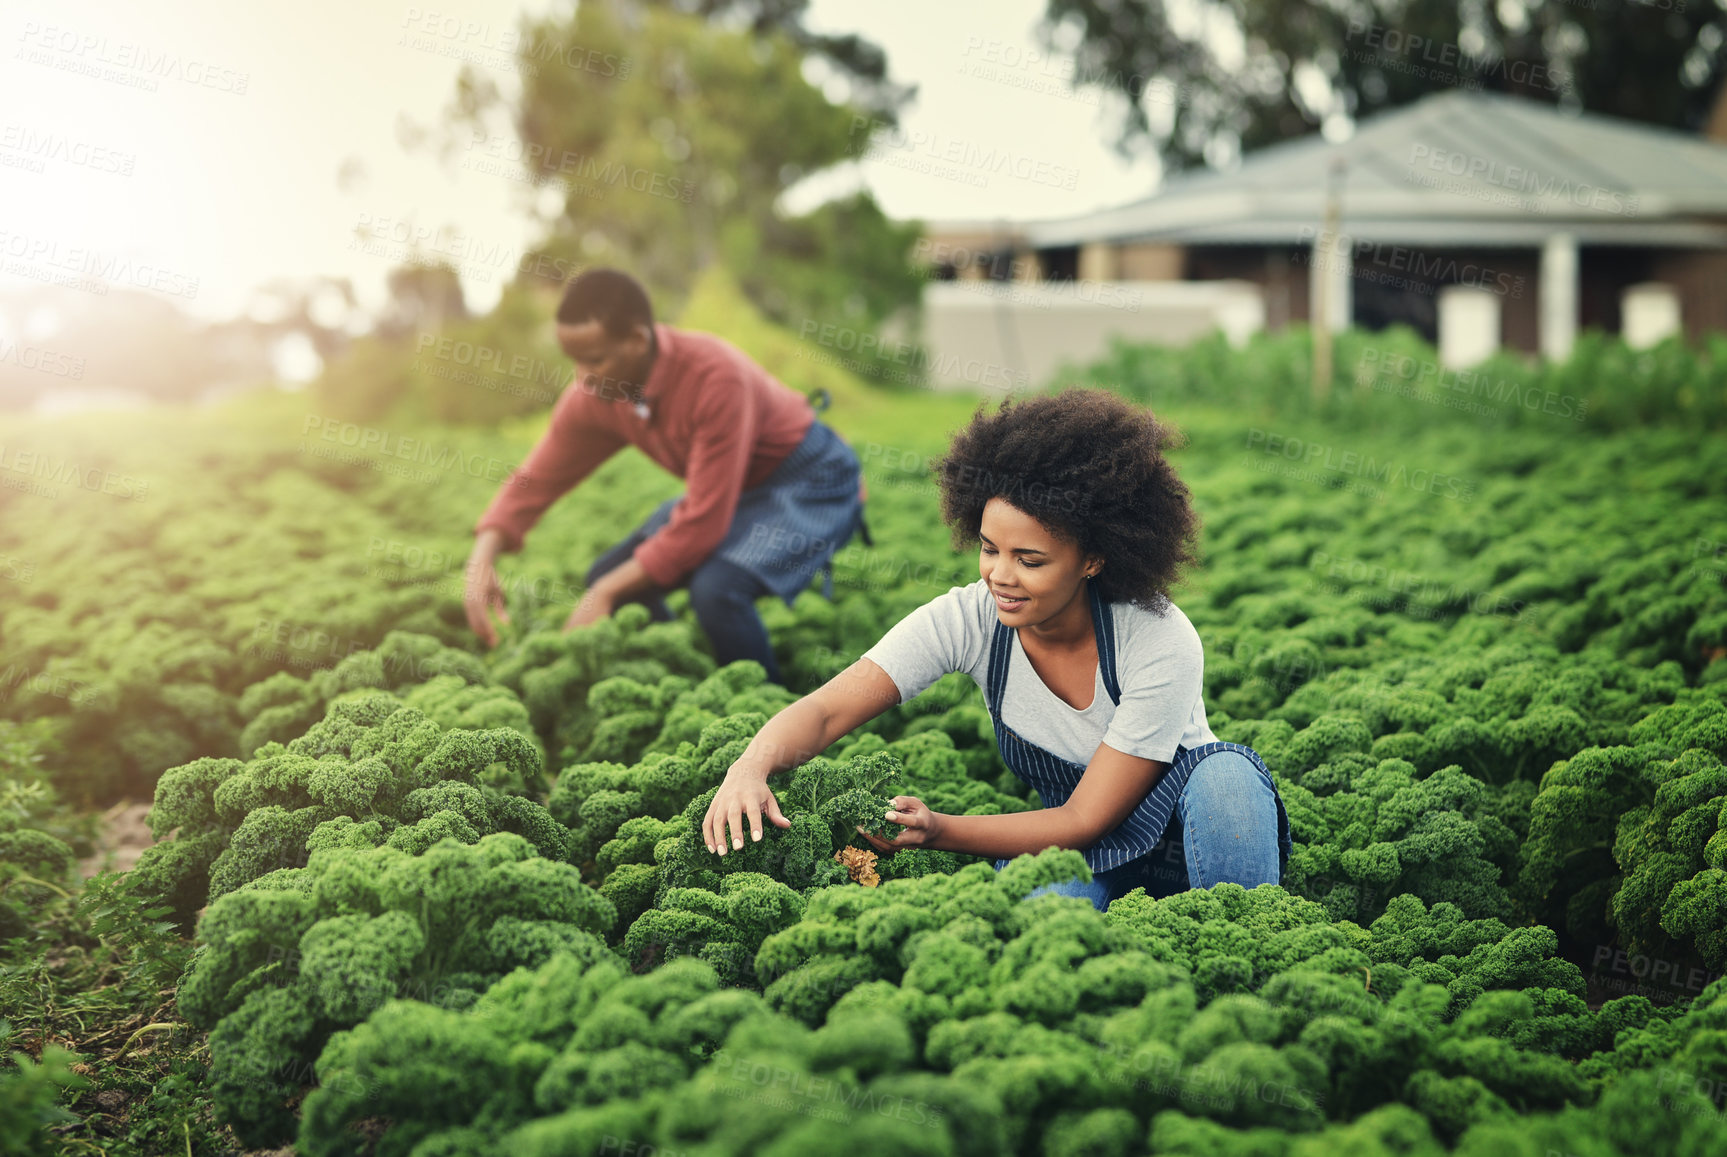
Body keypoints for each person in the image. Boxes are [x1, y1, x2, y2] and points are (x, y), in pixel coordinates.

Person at [700, 387, 1291, 911]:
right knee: (1043, 912)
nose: (999, 576)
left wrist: (940, 830)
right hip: (1065, 839)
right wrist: (750, 765)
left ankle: (1243, 934)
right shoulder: (970, 619)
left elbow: (1087, 816)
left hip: (1187, 831)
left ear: (1093, 558)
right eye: (989, 549)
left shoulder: (1158, 638)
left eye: (1029, 560)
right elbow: (830, 709)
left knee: (1228, 776)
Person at [465, 268, 867, 685]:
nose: (581, 376)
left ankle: (768, 712)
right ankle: (683, 673)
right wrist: (483, 554)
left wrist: (603, 595)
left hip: (812, 480)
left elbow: (703, 526)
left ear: (637, 341)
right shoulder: (598, 393)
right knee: (612, 576)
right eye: (574, 361)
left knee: (716, 591)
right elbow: (538, 477)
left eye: (594, 359)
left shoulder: (714, 377)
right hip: (736, 485)